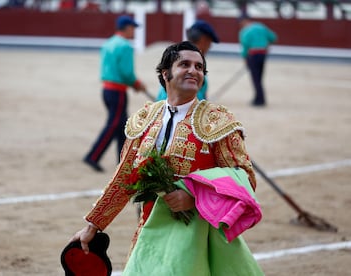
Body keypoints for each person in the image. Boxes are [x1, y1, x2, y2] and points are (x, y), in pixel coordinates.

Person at [71, 41, 263, 275]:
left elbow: (244, 179)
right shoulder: (145, 118)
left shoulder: (217, 121)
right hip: (149, 226)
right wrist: (94, 225)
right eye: (185, 64)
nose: (194, 70)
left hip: (198, 233)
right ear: (166, 73)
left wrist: (195, 196)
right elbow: (124, 177)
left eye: (199, 67)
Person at [83, 14, 147, 172]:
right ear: (127, 28)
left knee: (121, 126)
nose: (134, 32)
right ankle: (93, 156)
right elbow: (126, 72)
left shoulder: (108, 43)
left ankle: (123, 160)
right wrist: (136, 83)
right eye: (133, 28)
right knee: (114, 125)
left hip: (106, 90)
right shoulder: (125, 46)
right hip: (118, 91)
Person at [156, 19, 220, 101]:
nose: (210, 46)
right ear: (204, 39)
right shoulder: (196, 73)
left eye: (198, 67)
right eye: (209, 41)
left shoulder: (175, 60)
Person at [238, 15, 277, 107]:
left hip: (253, 55)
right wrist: (267, 44)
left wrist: (245, 60)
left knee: (256, 78)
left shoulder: (245, 31)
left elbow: (244, 47)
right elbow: (273, 38)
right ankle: (258, 98)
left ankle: (260, 100)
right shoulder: (261, 27)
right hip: (263, 54)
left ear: (244, 21)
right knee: (259, 77)